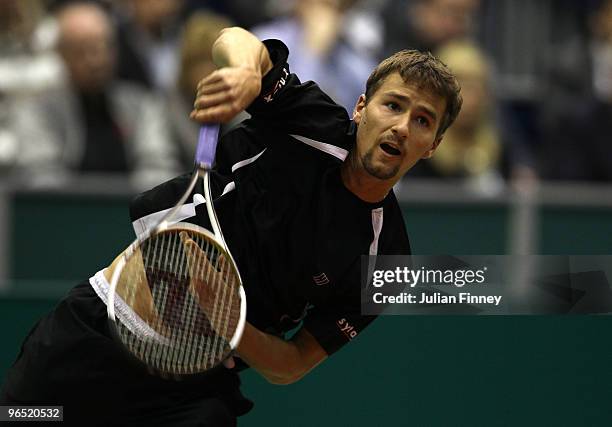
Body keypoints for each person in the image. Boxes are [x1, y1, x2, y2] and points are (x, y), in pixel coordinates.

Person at [1, 27, 462, 425]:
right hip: (99, 334)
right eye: (393, 106)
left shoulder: (386, 259)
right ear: (362, 107)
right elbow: (235, 40)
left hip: (190, 394)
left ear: (434, 144)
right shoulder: (311, 122)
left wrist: (230, 323)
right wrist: (245, 73)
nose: (402, 127)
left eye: (421, 120)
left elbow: (292, 363)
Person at [14, 1, 179, 190]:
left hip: (130, 212)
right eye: (82, 50)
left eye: (103, 47)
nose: (96, 60)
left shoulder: (142, 105)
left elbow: (160, 169)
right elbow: (39, 177)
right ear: (62, 55)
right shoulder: (38, 110)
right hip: (65, 214)